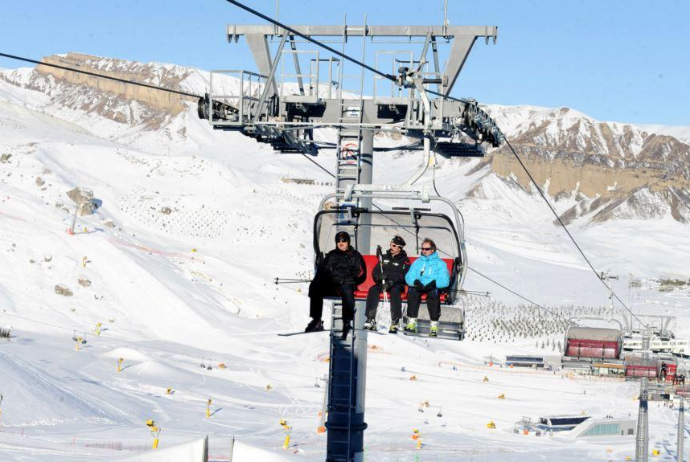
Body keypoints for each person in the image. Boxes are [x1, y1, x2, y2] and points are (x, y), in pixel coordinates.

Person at [306, 231, 366, 338]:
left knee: (347, 290)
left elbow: (361, 272)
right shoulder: (332, 255)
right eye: (338, 241)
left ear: (348, 242)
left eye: (343, 240)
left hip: (346, 283)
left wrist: (349, 279)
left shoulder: (355, 255)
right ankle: (316, 320)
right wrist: (322, 279)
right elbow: (323, 270)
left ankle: (346, 322)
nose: (341, 243)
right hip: (333, 284)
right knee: (315, 287)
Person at [404, 238, 450, 337]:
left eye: (427, 249)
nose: (424, 251)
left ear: (433, 249)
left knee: (433, 295)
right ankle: (412, 322)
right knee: (413, 293)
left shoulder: (440, 264)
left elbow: (445, 280)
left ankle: (434, 324)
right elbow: (409, 276)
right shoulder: (418, 262)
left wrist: (434, 283)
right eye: (422, 249)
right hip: (419, 285)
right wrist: (415, 282)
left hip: (432, 286)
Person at [364, 235, 410, 333]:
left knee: (395, 292)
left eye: (394, 245)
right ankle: (370, 318)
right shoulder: (383, 257)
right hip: (383, 283)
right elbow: (375, 271)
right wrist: (378, 277)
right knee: (373, 289)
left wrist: (391, 280)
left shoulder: (404, 260)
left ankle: (395, 320)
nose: (391, 247)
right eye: (390, 245)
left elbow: (403, 275)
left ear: (399, 248)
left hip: (396, 284)